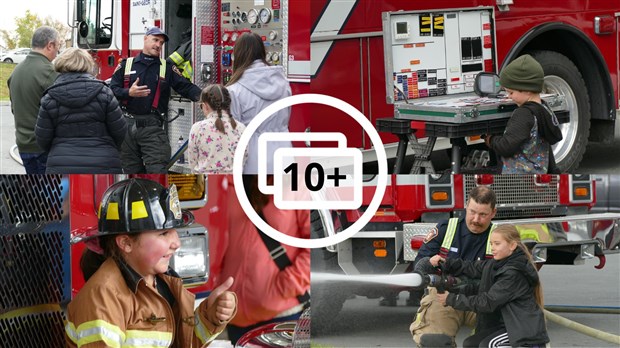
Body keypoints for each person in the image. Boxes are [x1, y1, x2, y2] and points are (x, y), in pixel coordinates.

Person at [66, 178, 237, 347]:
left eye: (174, 231)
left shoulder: (164, 283)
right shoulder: (103, 296)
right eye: (163, 233)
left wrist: (210, 317)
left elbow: (181, 343)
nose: (176, 243)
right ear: (126, 243)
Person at [217, 175, 310, 344]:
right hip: (235, 315)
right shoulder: (230, 180)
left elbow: (316, 243)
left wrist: (289, 284)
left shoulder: (296, 181)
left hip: (281, 314)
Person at [434, 224, 550, 348]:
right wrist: (446, 263)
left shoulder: (514, 272)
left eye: (497, 243)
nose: (493, 248)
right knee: (471, 344)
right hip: (506, 324)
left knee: (489, 345)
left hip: (522, 329)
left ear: (512, 246)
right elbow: (472, 267)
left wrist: (451, 299)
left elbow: (488, 302)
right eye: (491, 244)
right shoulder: (496, 264)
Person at [410, 185, 498, 347]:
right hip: (444, 296)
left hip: (484, 300)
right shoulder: (445, 229)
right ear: (466, 206)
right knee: (434, 341)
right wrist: (429, 263)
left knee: (508, 336)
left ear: (493, 213)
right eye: (472, 212)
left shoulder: (501, 236)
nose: (476, 219)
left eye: (483, 215)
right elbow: (419, 266)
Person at [110, 27, 202, 174]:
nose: (158, 45)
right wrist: (128, 92)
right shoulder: (126, 65)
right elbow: (111, 91)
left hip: (152, 129)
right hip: (126, 128)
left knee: (158, 173)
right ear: (145, 38)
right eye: (155, 40)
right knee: (131, 174)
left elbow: (186, 87)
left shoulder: (166, 67)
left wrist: (206, 98)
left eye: (161, 42)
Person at [35, 47, 127, 173]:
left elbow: (42, 139)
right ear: (87, 63)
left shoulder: (49, 97)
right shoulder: (105, 92)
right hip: (104, 161)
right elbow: (120, 131)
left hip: (61, 163)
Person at [484, 54, 563, 174]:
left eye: (511, 92)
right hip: (539, 170)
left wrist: (490, 139)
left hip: (519, 175)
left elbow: (506, 147)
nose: (508, 97)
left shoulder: (523, 114)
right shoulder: (544, 107)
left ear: (527, 90)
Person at [226, 32, 292, 174]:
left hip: (253, 159)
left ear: (238, 54)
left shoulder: (234, 90)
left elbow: (233, 134)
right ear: (262, 52)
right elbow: (287, 117)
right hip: (285, 155)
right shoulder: (283, 83)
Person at [7, 26, 61, 174]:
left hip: (23, 145)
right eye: (58, 46)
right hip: (44, 148)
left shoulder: (17, 70)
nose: (58, 52)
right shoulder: (49, 72)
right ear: (50, 45)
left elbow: (14, 109)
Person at [188, 84, 247, 173]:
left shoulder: (198, 128)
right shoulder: (241, 128)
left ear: (205, 106)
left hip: (206, 183)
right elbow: (244, 158)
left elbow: (192, 162)